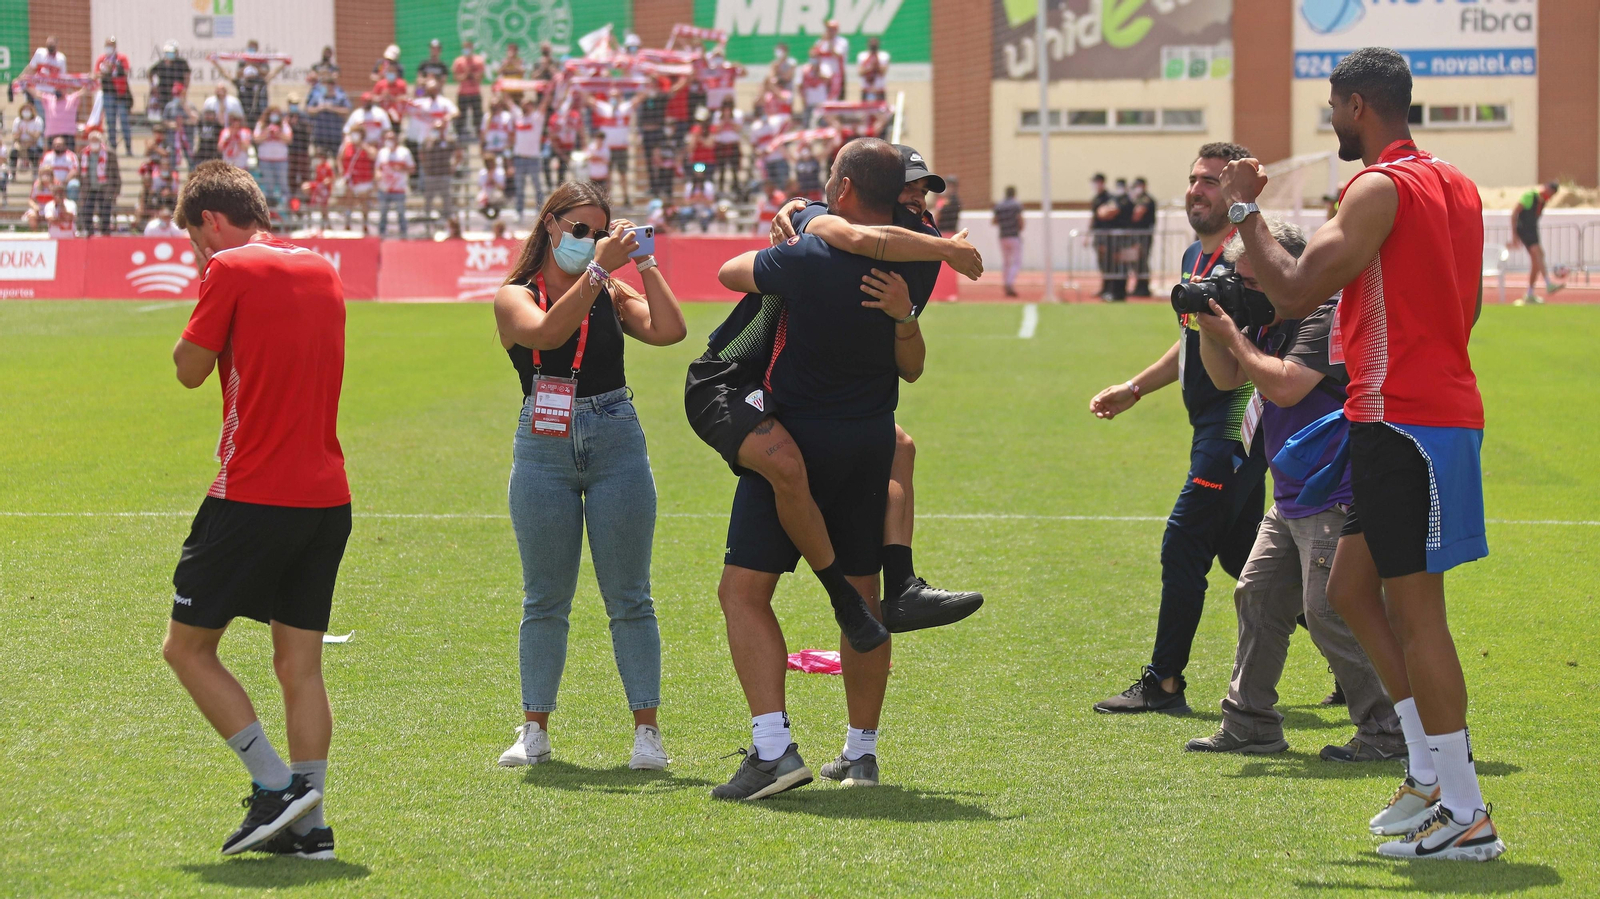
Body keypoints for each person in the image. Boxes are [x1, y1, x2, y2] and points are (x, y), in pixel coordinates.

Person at [1219, 45, 1503, 862]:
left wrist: (1245, 209)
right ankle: (1428, 773)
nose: (1331, 120)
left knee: (1419, 615)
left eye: (1334, 106)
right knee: (1348, 589)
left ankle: (1466, 810)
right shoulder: (1456, 184)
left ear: (1357, 106)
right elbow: (1467, 306)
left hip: (1404, 421)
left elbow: (1292, 289)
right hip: (1413, 414)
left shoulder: (1377, 186)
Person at [702, 139, 942, 799]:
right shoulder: (920, 261)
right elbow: (912, 365)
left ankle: (773, 750)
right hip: (866, 441)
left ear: (843, 190)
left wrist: (803, 215)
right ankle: (861, 755)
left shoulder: (809, 254)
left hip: (792, 440)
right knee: (864, 602)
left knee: (743, 592)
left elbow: (731, 273)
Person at [162, 160, 349, 861]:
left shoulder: (227, 267)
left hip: (252, 493)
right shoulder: (323, 268)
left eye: (195, 239)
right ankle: (310, 826)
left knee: (186, 647)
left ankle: (274, 784)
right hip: (327, 497)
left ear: (211, 220)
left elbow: (189, 368)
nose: (197, 251)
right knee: (299, 665)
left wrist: (205, 278)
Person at [1184, 218, 1404, 762]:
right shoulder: (1269, 316)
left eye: (1252, 282)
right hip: (1294, 491)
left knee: (1331, 610)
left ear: (1290, 271)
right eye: (1239, 281)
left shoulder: (1324, 316)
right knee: (1256, 596)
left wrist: (1233, 334)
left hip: (1336, 490)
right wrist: (1209, 325)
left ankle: (1389, 730)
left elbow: (1284, 387)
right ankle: (1250, 724)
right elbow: (1227, 379)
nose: (1243, 292)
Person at [491, 181, 688, 772]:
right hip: (542, 445)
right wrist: (600, 269)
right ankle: (534, 729)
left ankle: (647, 734)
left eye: (599, 231)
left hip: (615, 434)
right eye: (579, 229)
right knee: (545, 598)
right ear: (550, 225)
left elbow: (670, 330)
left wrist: (644, 262)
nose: (590, 240)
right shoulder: (515, 294)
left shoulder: (610, 289)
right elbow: (546, 334)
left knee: (630, 596)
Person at [1089, 141, 1266, 715]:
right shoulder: (1196, 256)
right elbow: (1191, 339)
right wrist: (1136, 387)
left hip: (1234, 426)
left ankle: (1164, 683)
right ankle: (1358, 658)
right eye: (1194, 179)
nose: (1197, 190)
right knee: (1247, 558)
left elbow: (1241, 360)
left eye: (1212, 181)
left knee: (1184, 542)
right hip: (1210, 424)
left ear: (1235, 190)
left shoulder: (1249, 263)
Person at [1508, 181, 1564, 305]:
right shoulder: (1530, 196)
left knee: (1537, 260)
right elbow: (1515, 212)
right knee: (1538, 254)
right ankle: (1548, 283)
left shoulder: (1542, 201)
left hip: (1533, 231)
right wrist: (1514, 235)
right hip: (1524, 230)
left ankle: (1529, 293)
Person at [589, 90, 636, 206]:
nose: (614, 99)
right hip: (608, 148)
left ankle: (626, 197)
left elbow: (638, 99)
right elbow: (589, 100)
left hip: (621, 147)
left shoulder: (625, 107)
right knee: (608, 174)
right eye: (612, 96)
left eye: (616, 96)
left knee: (623, 173)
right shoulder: (605, 107)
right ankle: (608, 199)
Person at [511, 94, 550, 219]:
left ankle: (540, 211)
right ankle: (519, 212)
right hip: (519, 157)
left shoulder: (536, 118)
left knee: (537, 186)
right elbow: (509, 103)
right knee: (519, 187)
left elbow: (544, 104)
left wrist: (548, 91)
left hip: (533, 158)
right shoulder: (518, 117)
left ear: (532, 106)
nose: (524, 106)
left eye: (527, 104)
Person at [93, 37, 134, 155]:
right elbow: (96, 74)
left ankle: (128, 148)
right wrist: (105, 71)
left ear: (115, 46)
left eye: (111, 45)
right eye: (107, 45)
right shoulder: (102, 59)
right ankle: (112, 148)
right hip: (108, 94)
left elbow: (126, 72)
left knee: (124, 121)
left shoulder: (121, 58)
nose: (109, 48)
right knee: (110, 122)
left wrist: (113, 68)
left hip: (121, 95)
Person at [417, 122, 460, 230]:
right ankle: (427, 226)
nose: (438, 131)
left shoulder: (449, 141)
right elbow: (421, 154)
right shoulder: (428, 141)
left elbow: (459, 153)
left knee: (447, 202)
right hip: (431, 175)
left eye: (441, 128)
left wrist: (454, 166)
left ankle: (448, 225)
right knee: (428, 201)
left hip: (444, 175)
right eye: (436, 129)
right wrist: (425, 165)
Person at [78, 129, 120, 235]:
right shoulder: (84, 154)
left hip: (105, 188)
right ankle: (89, 233)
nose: (94, 142)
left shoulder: (109, 154)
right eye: (92, 140)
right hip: (90, 188)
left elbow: (115, 173)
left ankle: (105, 233)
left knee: (105, 212)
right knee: (87, 210)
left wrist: (116, 190)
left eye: (96, 140)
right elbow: (80, 173)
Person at [374, 131, 413, 239]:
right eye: (387, 139)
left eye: (391, 138)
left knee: (401, 213)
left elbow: (412, 169)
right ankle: (381, 235)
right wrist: (378, 175)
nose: (389, 141)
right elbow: (377, 168)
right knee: (383, 213)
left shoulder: (404, 152)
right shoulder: (382, 152)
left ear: (396, 140)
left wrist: (402, 168)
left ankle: (403, 234)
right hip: (384, 189)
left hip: (399, 189)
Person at [254, 108, 292, 212]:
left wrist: (278, 133)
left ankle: (286, 207)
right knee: (269, 185)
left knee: (283, 183)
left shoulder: (284, 125)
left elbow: (289, 139)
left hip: (281, 160)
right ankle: (270, 209)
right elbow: (256, 139)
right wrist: (267, 132)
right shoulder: (261, 124)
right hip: (266, 160)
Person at [339, 130, 376, 233]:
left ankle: (365, 224)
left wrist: (363, 146)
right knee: (349, 202)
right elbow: (340, 159)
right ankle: (347, 223)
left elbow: (373, 156)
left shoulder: (366, 146)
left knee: (364, 203)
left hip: (364, 179)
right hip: (351, 179)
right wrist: (342, 172)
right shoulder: (347, 146)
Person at [306, 75, 352, 158]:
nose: (327, 87)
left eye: (329, 84)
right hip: (320, 135)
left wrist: (332, 108)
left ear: (333, 85)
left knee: (336, 159)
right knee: (320, 160)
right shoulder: (318, 97)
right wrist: (319, 108)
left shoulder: (340, 97)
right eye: (325, 84)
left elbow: (347, 110)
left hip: (335, 136)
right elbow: (309, 109)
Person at [1128, 177, 1158, 297]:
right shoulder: (1137, 199)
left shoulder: (1146, 199)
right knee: (1136, 262)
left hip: (1143, 236)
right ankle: (1138, 286)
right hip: (1137, 235)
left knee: (1142, 260)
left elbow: (1137, 215)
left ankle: (1143, 287)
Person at [992, 185, 1023, 298]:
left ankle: (1006, 282)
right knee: (1016, 261)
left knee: (1006, 262)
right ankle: (1010, 282)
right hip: (1013, 235)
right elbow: (1020, 220)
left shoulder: (999, 205)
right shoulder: (1016, 205)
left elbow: (994, 221)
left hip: (1003, 236)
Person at [453, 40, 487, 140]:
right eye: (465, 48)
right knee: (461, 114)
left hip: (475, 92)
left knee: (477, 115)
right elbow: (456, 78)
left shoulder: (479, 61)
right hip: (463, 93)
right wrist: (465, 74)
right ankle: (459, 134)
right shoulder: (459, 61)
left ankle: (478, 134)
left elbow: (480, 77)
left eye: (469, 47)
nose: (467, 50)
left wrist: (471, 73)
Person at [710, 97, 744, 196]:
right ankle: (720, 190)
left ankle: (736, 189)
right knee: (721, 169)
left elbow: (738, 129)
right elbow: (715, 130)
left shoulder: (738, 114)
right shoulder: (717, 115)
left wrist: (730, 121)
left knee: (735, 169)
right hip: (721, 145)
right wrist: (723, 121)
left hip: (733, 144)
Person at [811, 19, 850, 101]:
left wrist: (830, 41)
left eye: (832, 29)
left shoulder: (842, 42)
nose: (830, 31)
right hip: (822, 75)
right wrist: (822, 41)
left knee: (835, 99)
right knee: (823, 98)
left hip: (837, 74)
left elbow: (836, 54)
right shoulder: (821, 42)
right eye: (829, 29)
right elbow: (813, 54)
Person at [41, 86, 89, 152]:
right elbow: (36, 93)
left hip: (68, 134)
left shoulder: (72, 99)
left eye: (61, 88)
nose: (59, 90)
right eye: (57, 88)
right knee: (51, 156)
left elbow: (84, 91)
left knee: (69, 156)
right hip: (52, 134)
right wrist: (28, 82)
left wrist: (88, 82)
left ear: (65, 89)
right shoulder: (49, 99)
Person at [150, 41, 192, 115]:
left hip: (177, 92)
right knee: (164, 112)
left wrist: (185, 89)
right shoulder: (161, 63)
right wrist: (153, 86)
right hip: (163, 93)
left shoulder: (181, 63)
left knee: (178, 111)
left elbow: (187, 76)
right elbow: (150, 73)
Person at [857, 37, 890, 103]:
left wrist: (876, 64)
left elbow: (883, 72)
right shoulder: (862, 56)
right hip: (866, 89)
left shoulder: (883, 56)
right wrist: (870, 68)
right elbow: (860, 72)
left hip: (879, 89)